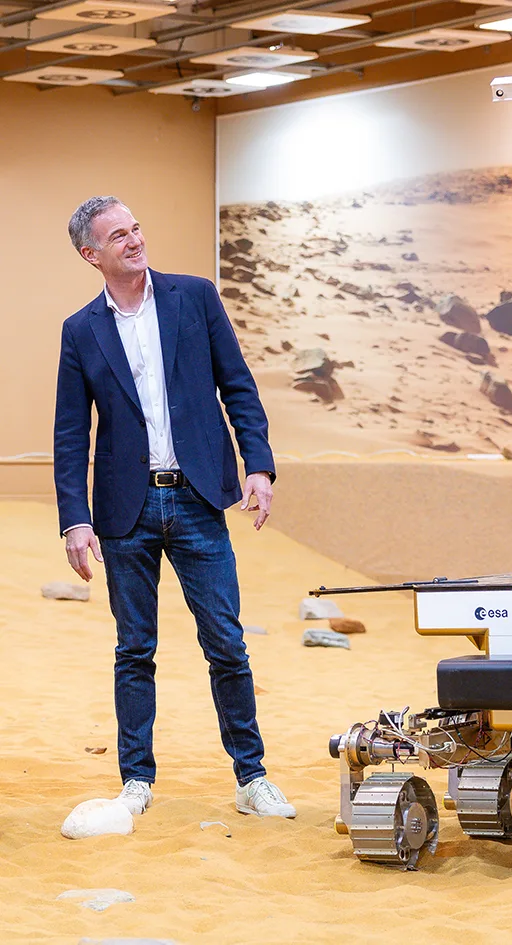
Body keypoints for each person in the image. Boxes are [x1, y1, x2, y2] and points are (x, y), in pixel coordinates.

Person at [54, 196, 295, 819]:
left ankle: (252, 776)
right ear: (92, 254)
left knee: (226, 641)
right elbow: (70, 431)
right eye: (118, 235)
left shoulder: (195, 297)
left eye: (137, 227)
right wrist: (75, 519)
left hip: (197, 499)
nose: (135, 240)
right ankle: (136, 780)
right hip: (123, 511)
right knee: (134, 649)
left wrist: (259, 467)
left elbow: (237, 385)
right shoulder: (81, 330)